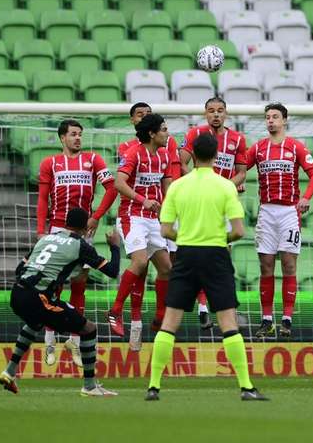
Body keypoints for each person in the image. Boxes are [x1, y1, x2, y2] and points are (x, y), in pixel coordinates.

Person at [146, 133, 267, 401]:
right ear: (215, 156)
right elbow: (238, 231)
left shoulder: (178, 186)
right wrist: (217, 239)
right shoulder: (225, 187)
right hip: (215, 255)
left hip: (186, 255)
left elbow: (165, 229)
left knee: (170, 322)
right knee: (228, 322)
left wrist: (187, 239)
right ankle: (246, 387)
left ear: (193, 155)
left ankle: (154, 386)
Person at [0, 208, 120, 397]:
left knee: (35, 322)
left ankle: (9, 371)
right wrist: (114, 246)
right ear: (85, 227)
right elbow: (112, 271)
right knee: (89, 328)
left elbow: (19, 268)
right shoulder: (80, 245)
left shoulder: (46, 239)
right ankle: (89, 386)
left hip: (17, 293)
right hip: (38, 298)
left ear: (65, 223)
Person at [36, 119, 117, 366]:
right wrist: (41, 231)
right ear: (62, 138)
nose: (78, 138)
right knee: (53, 284)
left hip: (83, 228)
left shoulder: (93, 160)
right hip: (58, 227)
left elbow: (112, 189)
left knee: (80, 282)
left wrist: (95, 217)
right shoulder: (50, 163)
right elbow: (42, 199)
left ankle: (74, 339)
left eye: (80, 134)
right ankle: (50, 338)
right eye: (73, 134)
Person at [246, 103, 313, 339]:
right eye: (267, 117)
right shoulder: (258, 148)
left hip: (289, 212)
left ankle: (287, 319)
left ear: (284, 120)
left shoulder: (296, 147)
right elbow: (240, 169)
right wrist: (234, 182)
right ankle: (266, 320)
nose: (270, 121)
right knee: (266, 265)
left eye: (275, 117)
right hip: (266, 212)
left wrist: (306, 198)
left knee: (289, 264)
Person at [108, 114, 177, 350]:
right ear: (152, 133)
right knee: (138, 262)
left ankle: (159, 317)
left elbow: (167, 187)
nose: (167, 133)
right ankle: (115, 312)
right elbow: (119, 183)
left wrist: (169, 208)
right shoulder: (134, 153)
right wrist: (142, 200)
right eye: (164, 129)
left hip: (153, 219)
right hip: (132, 216)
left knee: (167, 268)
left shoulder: (165, 155)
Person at [179, 96, 249, 328]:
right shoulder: (194, 134)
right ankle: (201, 309)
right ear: (205, 113)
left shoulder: (237, 139)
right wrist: (196, 184)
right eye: (211, 111)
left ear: (226, 113)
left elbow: (241, 172)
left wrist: (225, 187)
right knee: (199, 252)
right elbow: (181, 162)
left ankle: (223, 310)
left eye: (220, 110)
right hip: (199, 202)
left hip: (223, 203)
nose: (216, 114)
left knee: (221, 257)